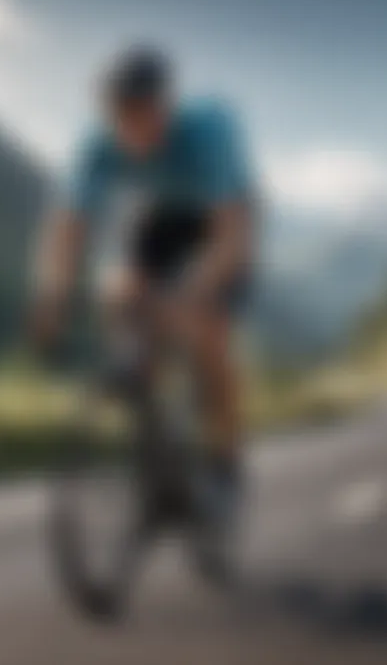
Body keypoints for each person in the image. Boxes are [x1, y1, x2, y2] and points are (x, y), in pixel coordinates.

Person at [32, 45, 257, 573]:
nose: (134, 131)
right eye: (121, 118)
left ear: (167, 104)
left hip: (223, 220)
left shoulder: (210, 130)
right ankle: (148, 413)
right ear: (107, 114)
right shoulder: (95, 144)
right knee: (119, 290)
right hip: (158, 218)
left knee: (206, 329)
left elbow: (231, 237)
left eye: (145, 115)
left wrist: (196, 290)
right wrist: (53, 295)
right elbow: (67, 228)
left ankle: (224, 465)